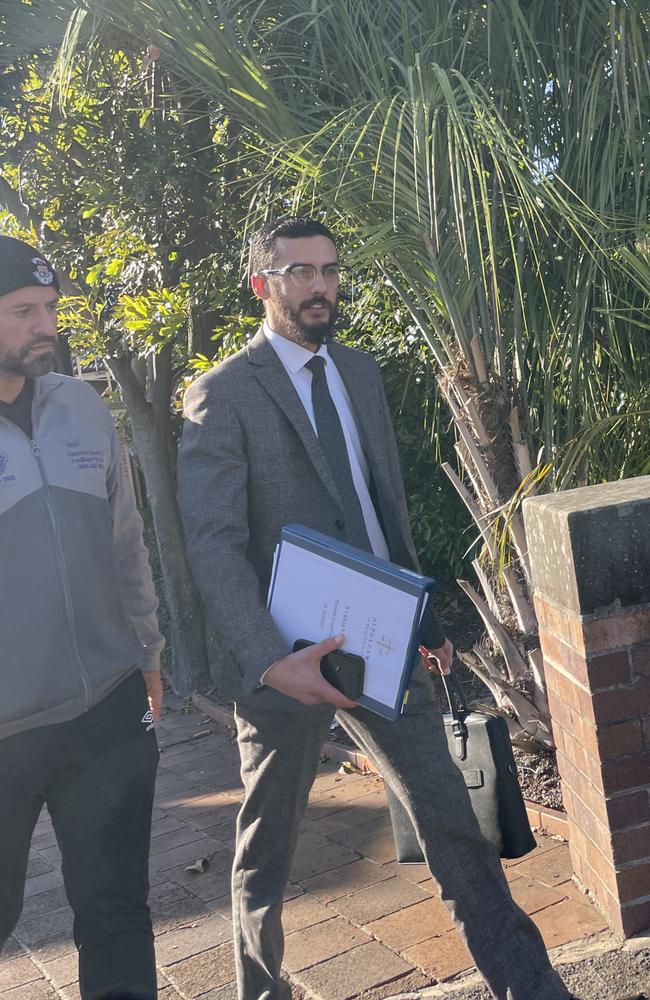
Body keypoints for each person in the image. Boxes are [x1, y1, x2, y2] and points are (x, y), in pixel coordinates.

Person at [177, 217, 572, 1000]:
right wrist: (266, 657)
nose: (320, 285)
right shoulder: (221, 395)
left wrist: (423, 621)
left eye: (328, 269)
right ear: (263, 284)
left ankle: (532, 988)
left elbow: (379, 501)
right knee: (268, 847)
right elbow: (213, 543)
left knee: (452, 819)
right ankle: (261, 990)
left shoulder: (357, 372)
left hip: (379, 637)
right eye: (299, 272)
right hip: (285, 659)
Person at [0, 235, 164, 1000]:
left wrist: (148, 651)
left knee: (117, 914)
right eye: (25, 311)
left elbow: (126, 541)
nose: (47, 326)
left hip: (106, 709)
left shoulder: (82, 407)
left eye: (52, 308)